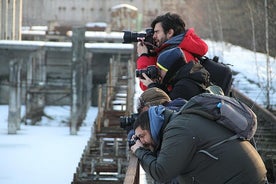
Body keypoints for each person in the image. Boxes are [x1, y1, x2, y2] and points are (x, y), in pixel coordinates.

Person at [130, 105, 268, 183]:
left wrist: (140, 151)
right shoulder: (178, 123)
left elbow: (161, 172)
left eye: (142, 136)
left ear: (152, 126)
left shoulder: (177, 129)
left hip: (242, 179)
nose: (142, 142)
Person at [137, 12, 208, 91]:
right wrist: (153, 54)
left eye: (157, 32)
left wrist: (144, 56)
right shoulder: (183, 47)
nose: (154, 36)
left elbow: (150, 89)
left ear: (170, 33)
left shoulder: (175, 54)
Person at [140, 47, 210, 100]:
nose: (159, 73)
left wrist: (153, 87)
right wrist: (159, 86)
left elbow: (169, 108)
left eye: (160, 69)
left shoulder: (184, 86)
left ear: (170, 70)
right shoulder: (187, 76)